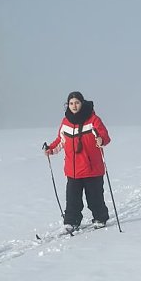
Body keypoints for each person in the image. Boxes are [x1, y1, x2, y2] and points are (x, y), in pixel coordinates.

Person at [44, 91, 110, 232]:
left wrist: (101, 140)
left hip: (92, 169)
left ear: (82, 103)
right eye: (71, 103)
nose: (74, 106)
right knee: (72, 199)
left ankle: (100, 218)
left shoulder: (93, 120)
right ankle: (71, 221)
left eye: (77, 103)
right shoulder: (66, 122)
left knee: (95, 197)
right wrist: (50, 149)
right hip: (73, 170)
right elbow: (61, 141)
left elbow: (105, 136)